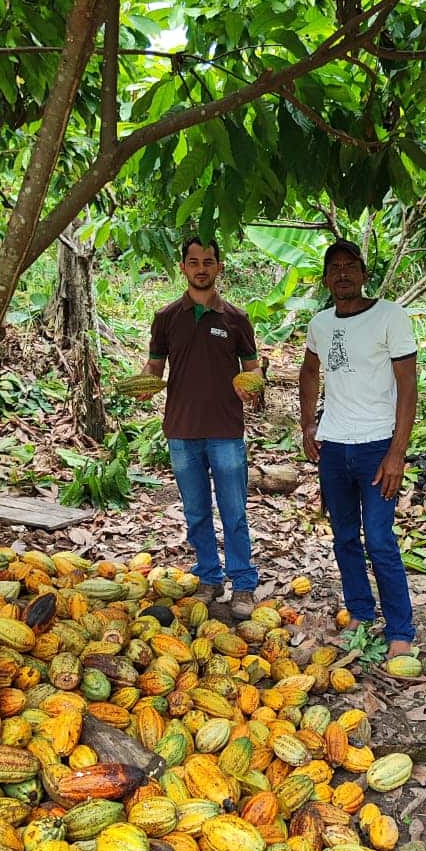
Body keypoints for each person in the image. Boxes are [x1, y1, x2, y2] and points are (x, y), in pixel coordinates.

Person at [299, 239, 418, 661]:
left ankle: (400, 629)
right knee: (345, 536)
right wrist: (308, 423)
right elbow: (309, 370)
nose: (343, 274)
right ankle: (361, 614)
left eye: (351, 266)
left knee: (380, 540)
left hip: (376, 446)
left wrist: (397, 453)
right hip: (334, 447)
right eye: (335, 267)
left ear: (364, 274)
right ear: (326, 279)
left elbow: (408, 385)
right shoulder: (320, 323)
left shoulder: (390, 316)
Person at [142, 236, 262, 620]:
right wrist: (142, 385)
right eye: (193, 262)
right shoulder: (166, 318)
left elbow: (252, 368)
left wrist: (253, 387)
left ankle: (243, 583)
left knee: (234, 512)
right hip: (181, 430)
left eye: (208, 262)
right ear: (183, 267)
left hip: (225, 429)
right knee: (196, 512)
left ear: (219, 268)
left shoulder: (236, 319)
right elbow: (154, 367)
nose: (201, 269)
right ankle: (209, 577)